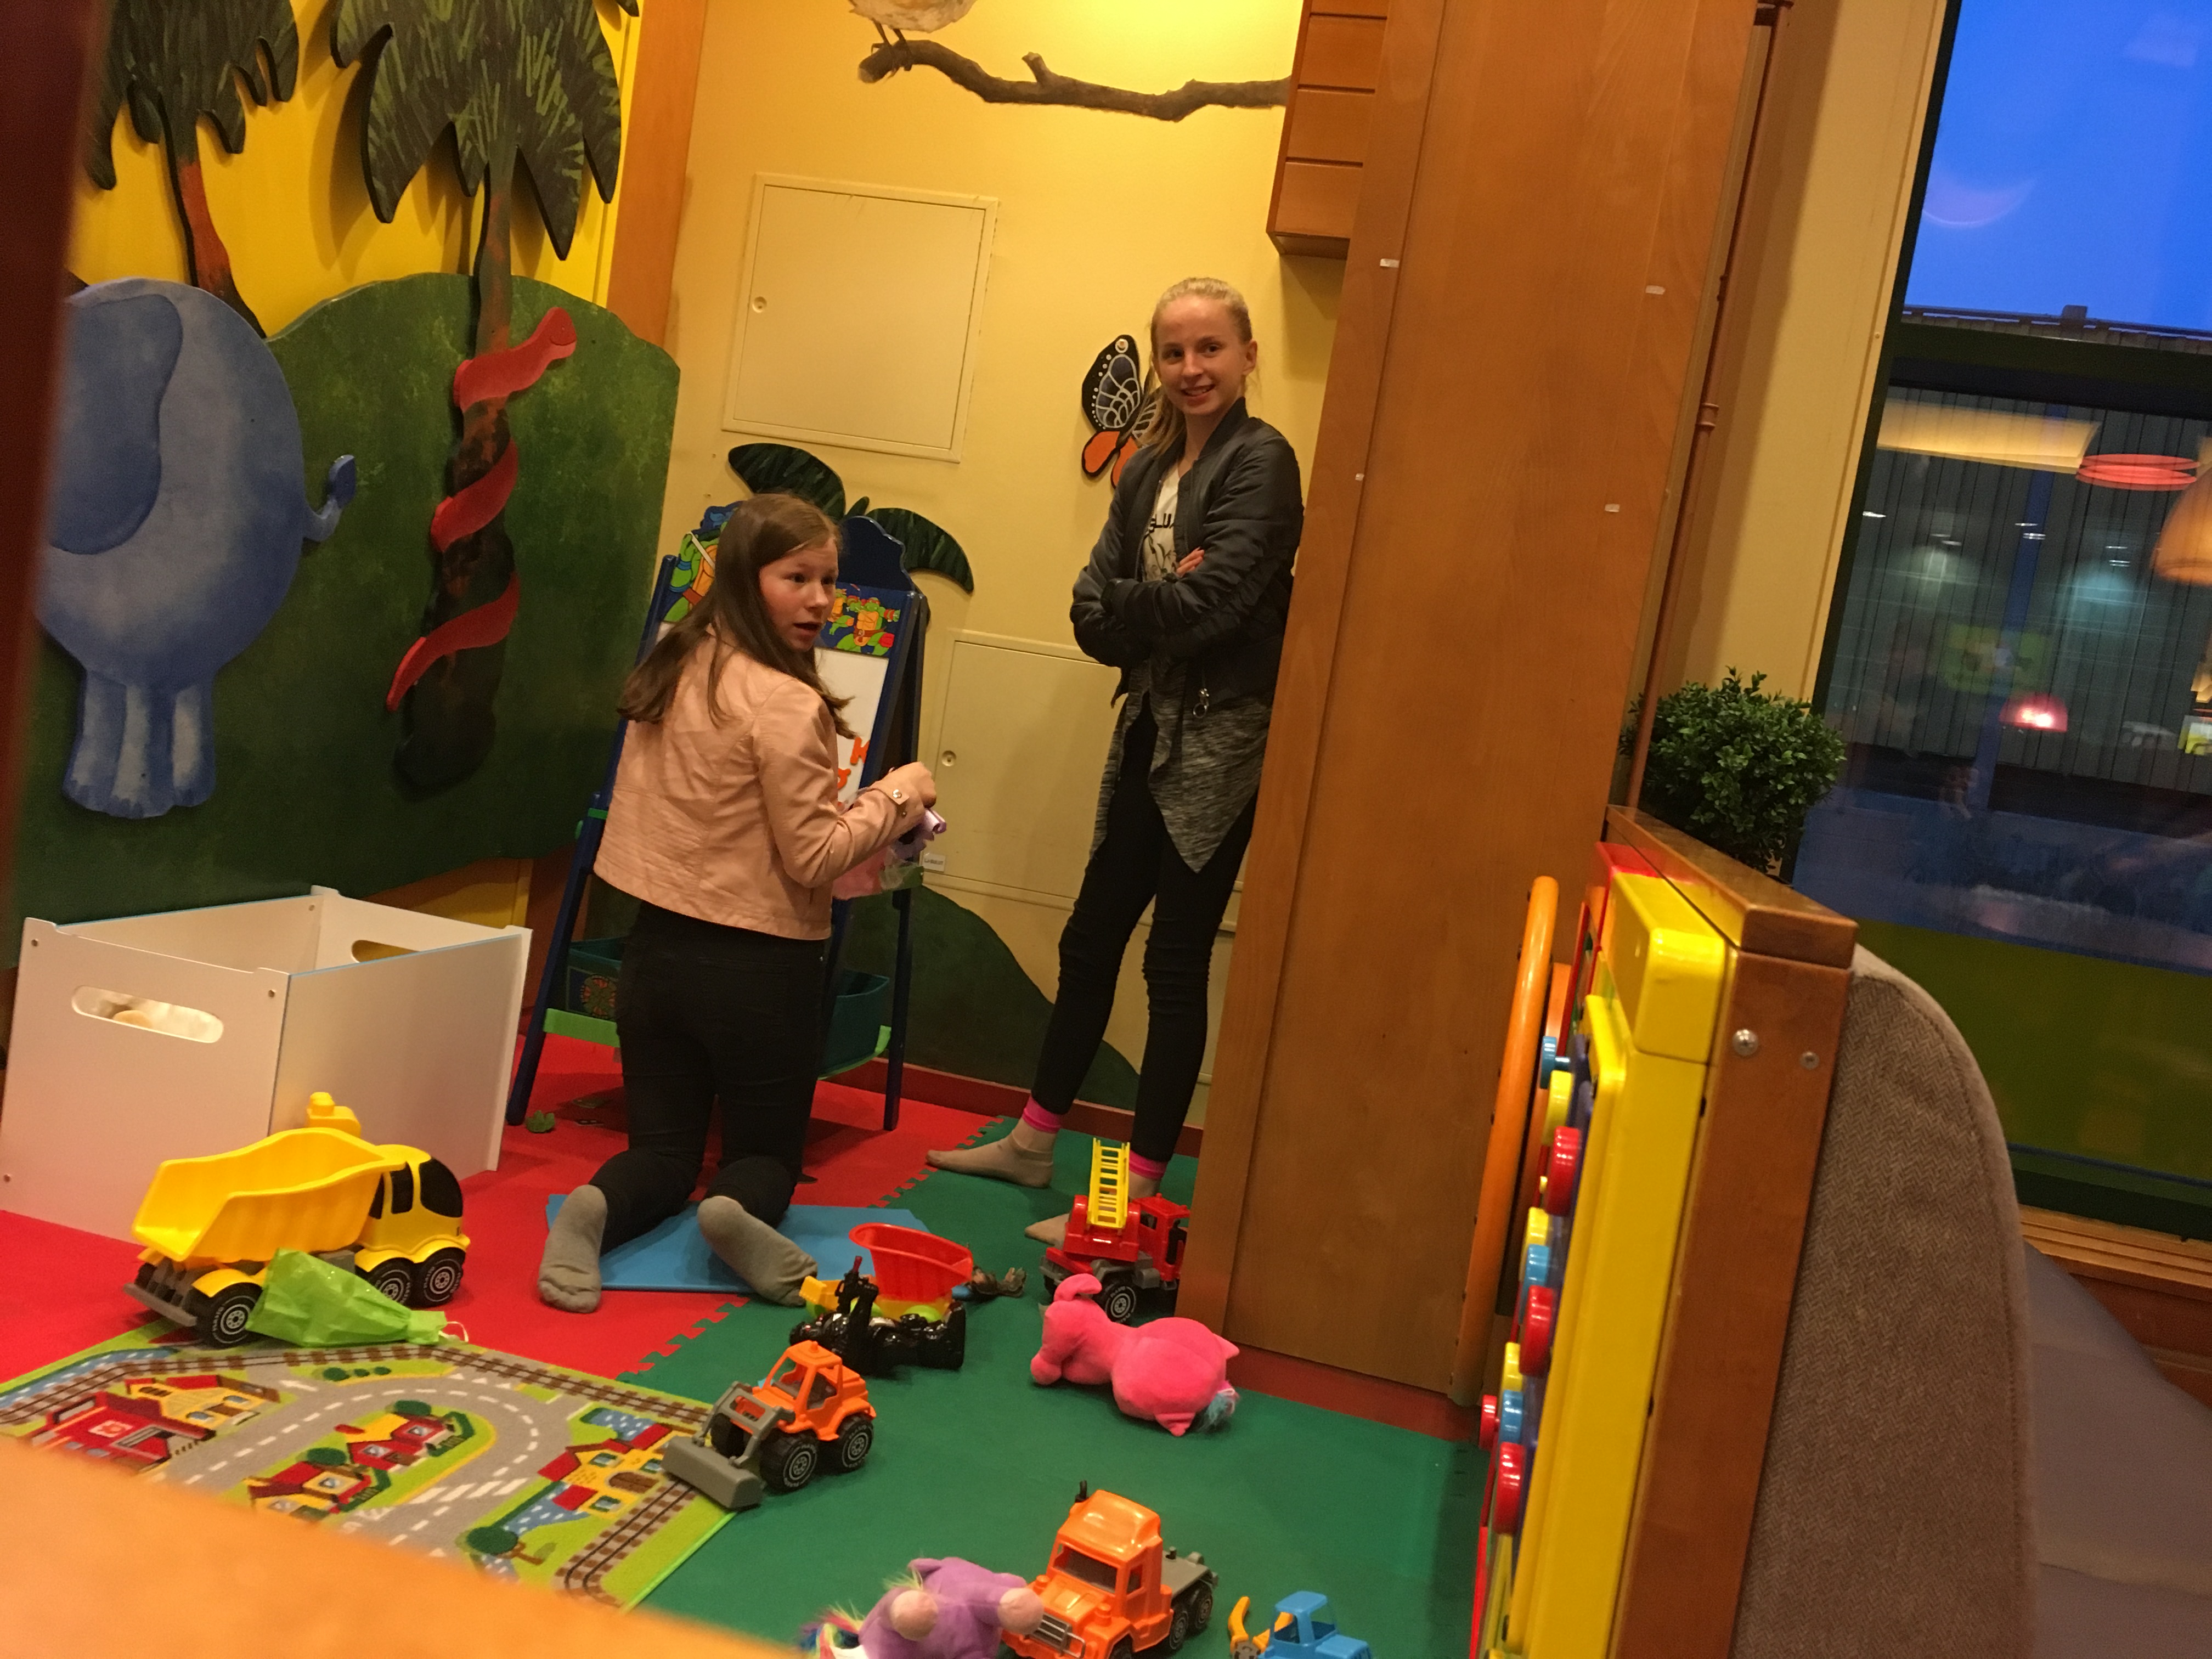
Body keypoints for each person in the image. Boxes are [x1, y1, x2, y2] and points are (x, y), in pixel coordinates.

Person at [927, 276, 1303, 1238]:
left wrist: (1149, 603)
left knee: (1174, 961)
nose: (1191, 368)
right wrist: (1156, 599)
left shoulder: (1263, 462)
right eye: (1174, 352)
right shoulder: (1145, 472)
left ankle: (1136, 1190)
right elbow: (1089, 612)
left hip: (1223, 740)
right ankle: (1032, 1140)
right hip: (1146, 724)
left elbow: (1217, 606)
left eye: (1210, 348)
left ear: (1248, 356)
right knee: (1091, 939)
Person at [538, 494, 936, 1311]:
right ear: (749, 579)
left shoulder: (674, 662)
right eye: (797, 579)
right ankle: (736, 1213)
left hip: (654, 955)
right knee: (762, 1155)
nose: (821, 601)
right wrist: (899, 796)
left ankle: (593, 1208)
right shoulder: (787, 702)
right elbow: (813, 855)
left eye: (829, 581)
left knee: (662, 1151)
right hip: (761, 972)